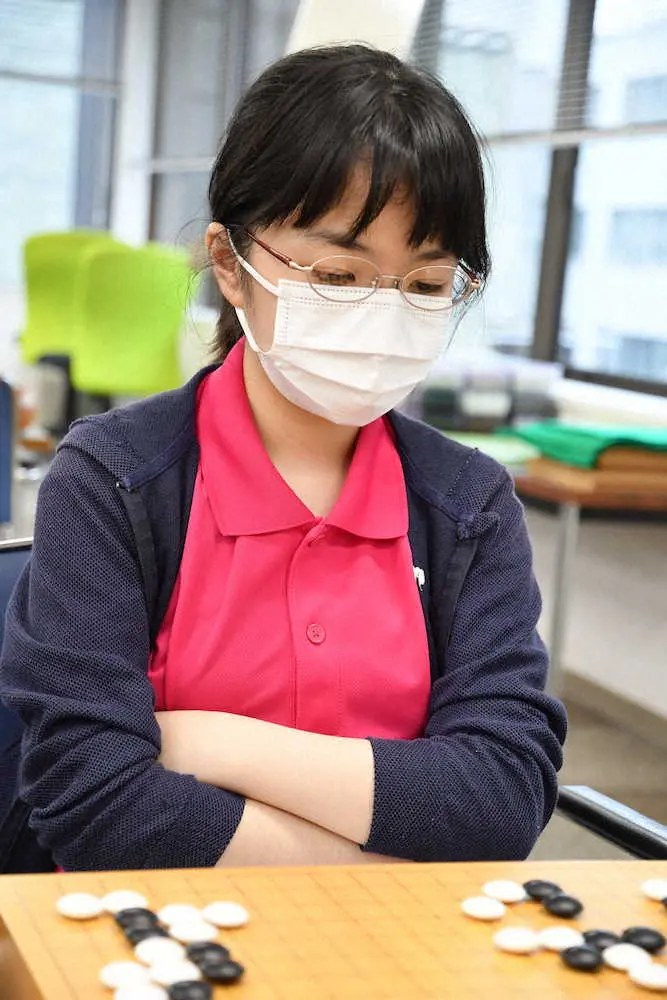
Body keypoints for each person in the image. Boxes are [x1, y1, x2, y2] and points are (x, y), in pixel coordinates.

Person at [0, 44, 566, 873]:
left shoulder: (466, 505)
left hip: (389, 944)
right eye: (338, 274)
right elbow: (95, 803)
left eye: (423, 285)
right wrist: (384, 867)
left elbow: (503, 797)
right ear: (231, 266)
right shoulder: (116, 479)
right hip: (146, 928)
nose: (383, 313)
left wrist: (211, 743)